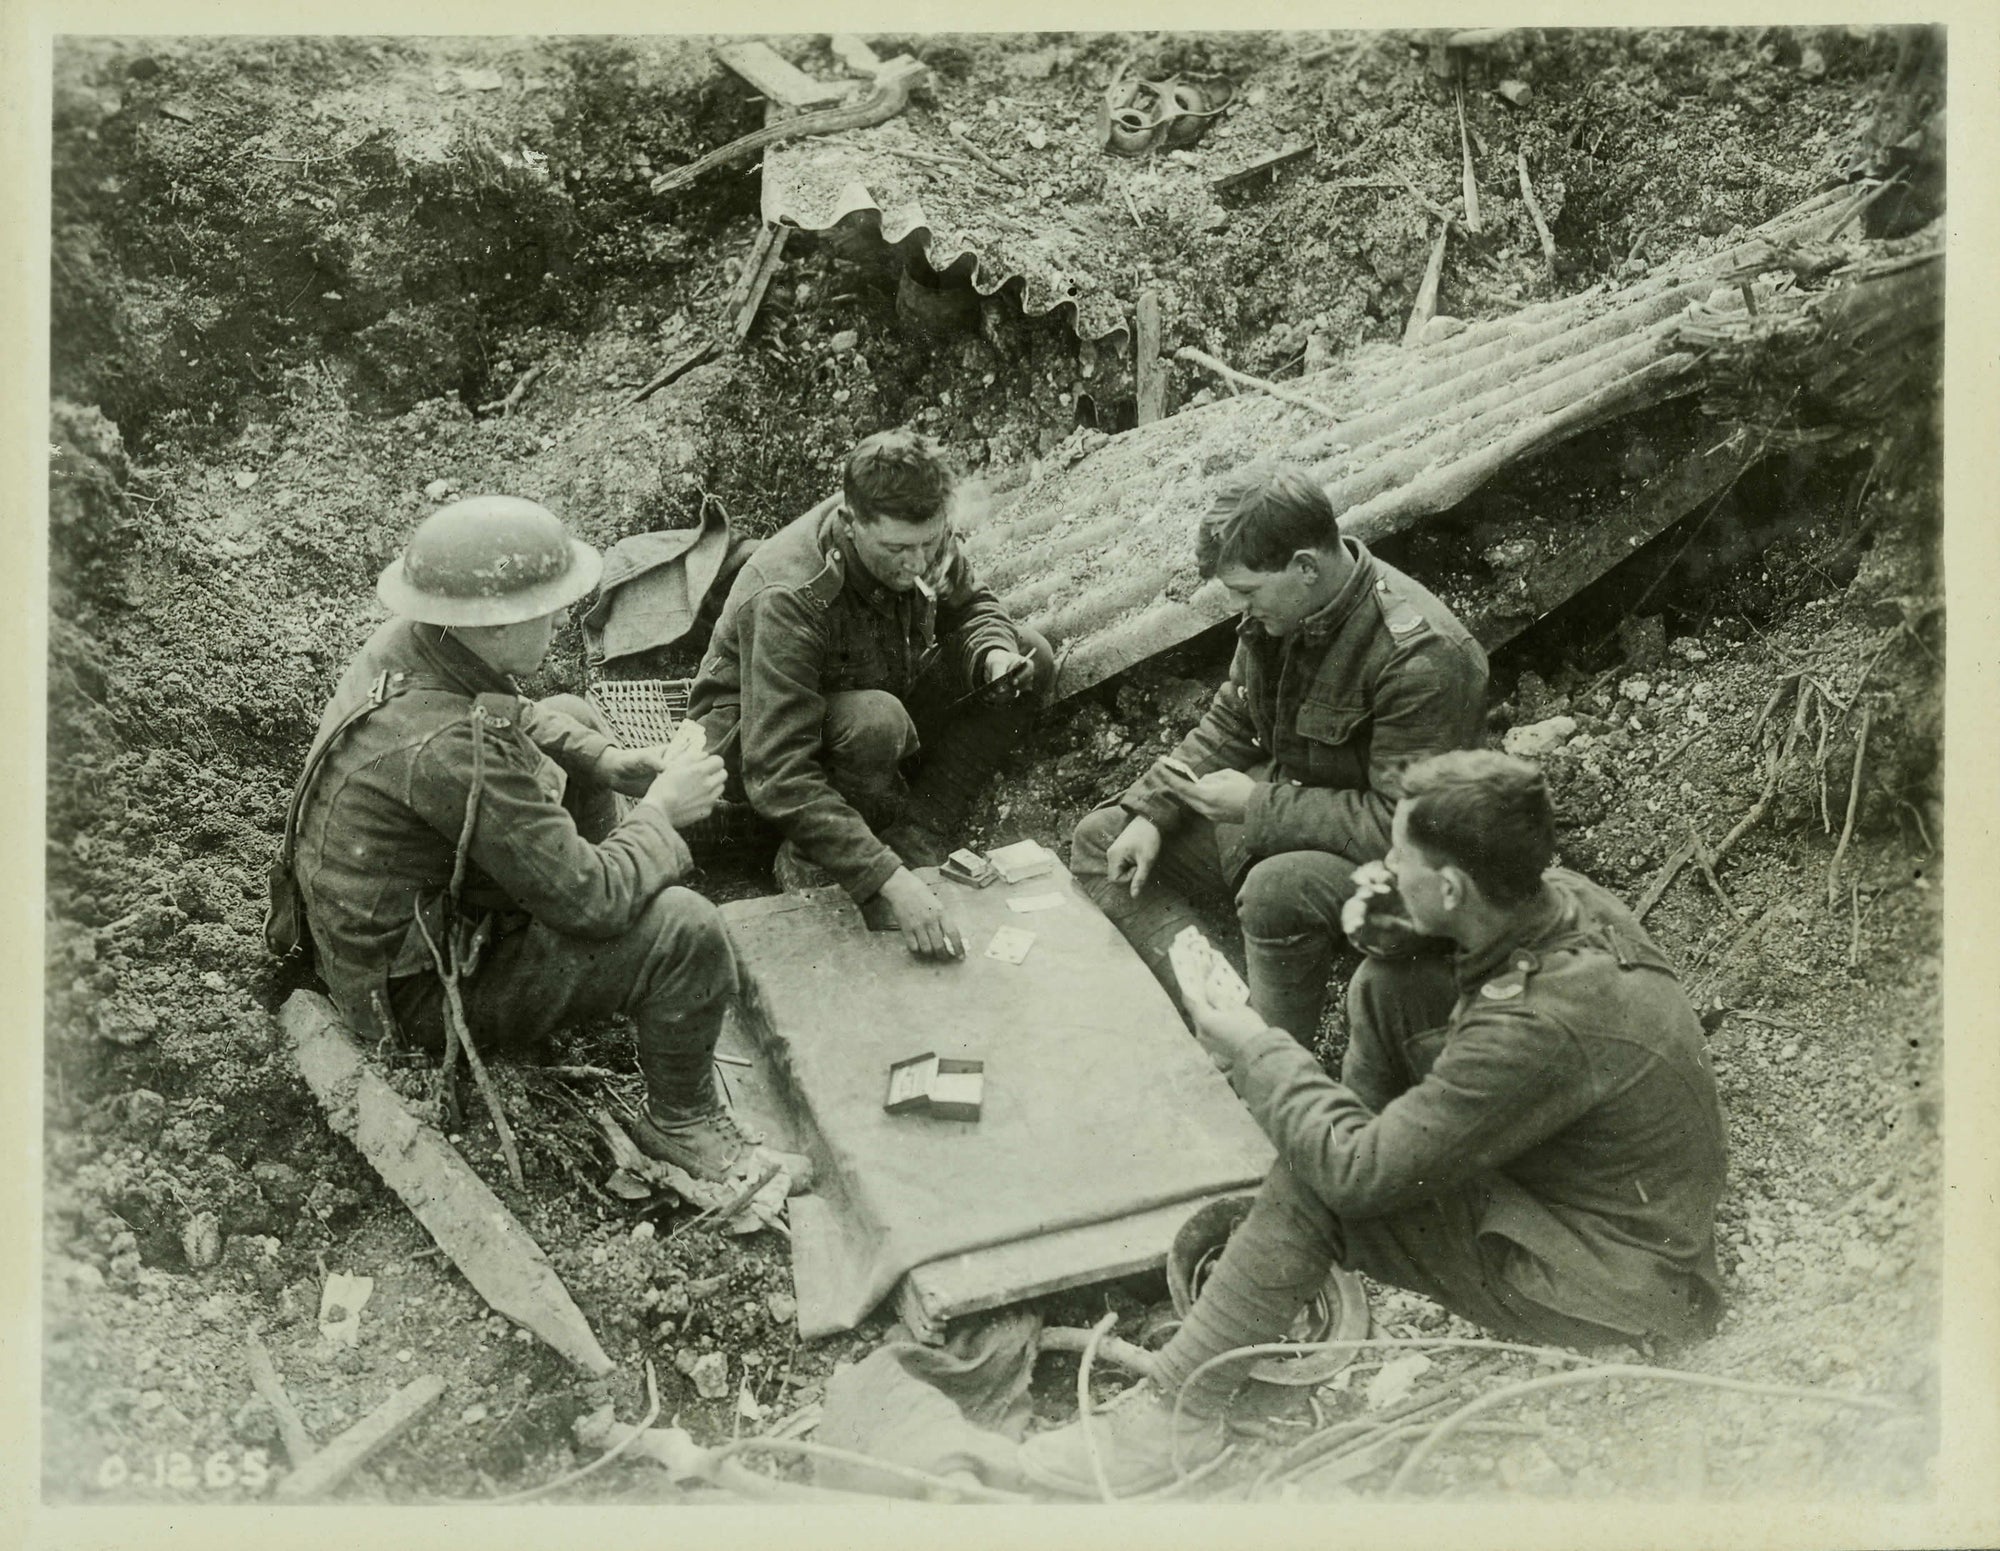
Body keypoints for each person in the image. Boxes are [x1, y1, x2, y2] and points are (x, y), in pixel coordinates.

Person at [1022, 752, 1729, 1495]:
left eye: (1401, 857)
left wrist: (1258, 1047)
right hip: (1621, 1206)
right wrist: (1399, 932)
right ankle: (1338, 1146)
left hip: (1617, 1277)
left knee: (1322, 1181)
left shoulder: (1537, 1027)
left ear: (1453, 885)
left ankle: (1176, 1418)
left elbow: (1359, 1174)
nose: (1384, 865)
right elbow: (1432, 974)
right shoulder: (1561, 898)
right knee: (1389, 987)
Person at [287, 495, 763, 1182]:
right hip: (414, 997)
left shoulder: (419, 640)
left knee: (572, 719)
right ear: (497, 622)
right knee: (686, 929)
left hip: (384, 927)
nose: (566, 615)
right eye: (551, 604)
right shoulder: (452, 749)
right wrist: (659, 811)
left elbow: (517, 713)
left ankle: (619, 956)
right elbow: (590, 898)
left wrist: (607, 760)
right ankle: (682, 1121)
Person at [1070, 462, 1488, 1045]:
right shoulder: (1282, 613)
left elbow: (1403, 828)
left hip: (1413, 870)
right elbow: (1233, 720)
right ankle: (1223, 1013)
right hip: (1295, 814)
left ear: (1306, 568)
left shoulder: (1419, 657)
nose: (1240, 611)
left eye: (1246, 592)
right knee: (1102, 840)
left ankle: (1269, 1070)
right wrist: (1153, 811)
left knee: (1276, 890)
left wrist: (1256, 805)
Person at [688, 428, 1054, 961]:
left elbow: (972, 606)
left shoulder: (917, 535)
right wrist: (885, 878)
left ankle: (919, 825)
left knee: (1031, 653)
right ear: (850, 524)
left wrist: (992, 655)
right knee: (874, 722)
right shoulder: (790, 593)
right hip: (757, 739)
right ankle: (810, 856)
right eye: (898, 550)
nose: (917, 563)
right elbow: (777, 771)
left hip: (873, 685)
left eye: (929, 543)